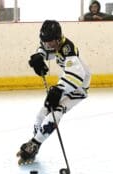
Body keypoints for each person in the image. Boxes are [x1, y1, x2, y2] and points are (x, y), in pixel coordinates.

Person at [16, 20, 91, 165]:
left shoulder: (67, 50)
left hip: (79, 87)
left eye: (50, 41)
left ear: (58, 38)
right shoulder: (55, 44)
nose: (47, 44)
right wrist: (39, 57)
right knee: (42, 113)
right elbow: (44, 50)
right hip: (68, 82)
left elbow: (78, 75)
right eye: (45, 41)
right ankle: (35, 142)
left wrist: (59, 90)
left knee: (56, 111)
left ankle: (35, 143)